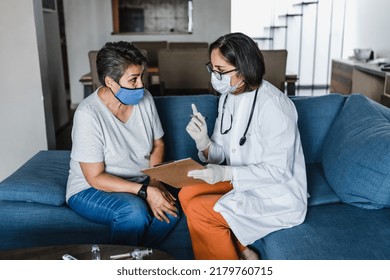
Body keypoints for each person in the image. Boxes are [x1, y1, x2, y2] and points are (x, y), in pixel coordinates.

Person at [180, 32, 307, 260]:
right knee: (187, 193)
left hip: (275, 194)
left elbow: (278, 171)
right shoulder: (229, 96)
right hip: (243, 182)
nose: (215, 76)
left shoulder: (275, 106)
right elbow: (219, 155)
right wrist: (204, 142)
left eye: (221, 71)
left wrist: (225, 173)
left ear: (244, 69)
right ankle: (243, 251)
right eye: (212, 68)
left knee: (200, 211)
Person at [66, 41, 180, 247]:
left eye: (141, 76)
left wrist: (154, 182)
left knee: (169, 212)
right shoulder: (88, 114)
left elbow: (158, 144)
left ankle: (134, 259)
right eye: (133, 80)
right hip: (90, 188)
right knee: (135, 213)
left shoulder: (145, 99)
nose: (141, 85)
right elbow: (95, 178)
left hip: (141, 181)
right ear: (110, 82)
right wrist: (145, 192)